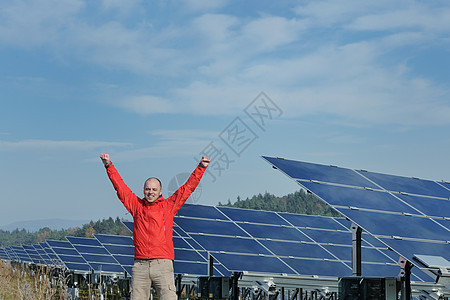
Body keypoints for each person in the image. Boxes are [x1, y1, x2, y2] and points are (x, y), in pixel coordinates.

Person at [100, 153, 210, 300]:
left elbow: (187, 189)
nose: (150, 192)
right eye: (147, 189)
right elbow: (120, 187)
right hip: (140, 265)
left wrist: (201, 167)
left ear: (160, 192)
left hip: (163, 264)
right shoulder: (136, 205)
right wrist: (108, 165)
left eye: (154, 189)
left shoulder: (168, 206)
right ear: (143, 190)